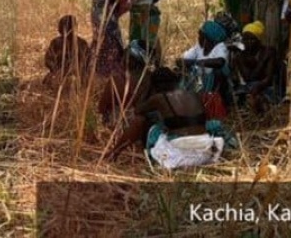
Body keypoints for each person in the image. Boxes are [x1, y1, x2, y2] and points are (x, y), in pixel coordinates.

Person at [104, 67, 237, 166]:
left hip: (180, 153)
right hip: (206, 149)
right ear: (175, 81)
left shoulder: (159, 98)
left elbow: (138, 110)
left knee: (140, 122)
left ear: (155, 86)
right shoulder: (193, 94)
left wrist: (147, 91)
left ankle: (114, 153)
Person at [85, 0, 130, 78]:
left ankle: (114, 65)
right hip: (96, 11)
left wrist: (117, 2)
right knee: (98, 36)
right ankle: (99, 66)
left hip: (109, 12)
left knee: (112, 36)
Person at [176, 21, 231, 119]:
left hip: (215, 84)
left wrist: (197, 62)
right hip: (200, 82)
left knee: (218, 72)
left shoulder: (220, 47)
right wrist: (186, 63)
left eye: (200, 35)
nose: (198, 38)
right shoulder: (199, 48)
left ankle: (215, 102)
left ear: (207, 38)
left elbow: (220, 62)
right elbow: (181, 60)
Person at [231, 21, 278, 115]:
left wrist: (258, 87)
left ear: (259, 40)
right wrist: (260, 62)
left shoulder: (269, 52)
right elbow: (248, 77)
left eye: (252, 40)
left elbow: (268, 78)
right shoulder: (240, 56)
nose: (248, 43)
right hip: (249, 87)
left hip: (266, 87)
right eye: (245, 39)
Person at [43, 15, 91, 90]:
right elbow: (89, 61)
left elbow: (48, 61)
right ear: (75, 28)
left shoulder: (56, 42)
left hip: (69, 76)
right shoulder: (82, 43)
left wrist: (57, 71)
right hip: (71, 76)